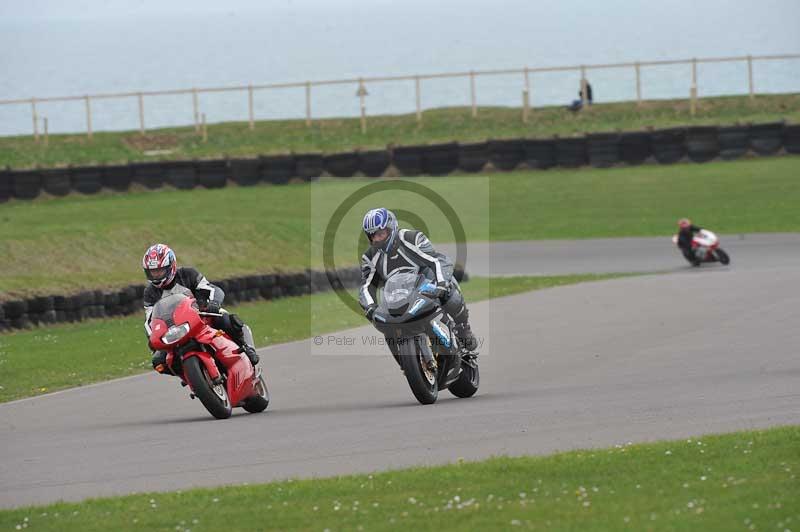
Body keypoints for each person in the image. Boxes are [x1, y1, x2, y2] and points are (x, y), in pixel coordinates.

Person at [358, 208, 478, 353]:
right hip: (396, 296)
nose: (376, 239)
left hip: (427, 285)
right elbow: (366, 286)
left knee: (449, 290)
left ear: (391, 228)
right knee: (385, 323)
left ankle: (463, 328)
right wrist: (370, 307)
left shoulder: (412, 238)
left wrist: (442, 284)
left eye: (380, 234)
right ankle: (404, 363)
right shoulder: (370, 257)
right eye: (372, 236)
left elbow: (438, 260)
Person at [141, 243, 259, 375]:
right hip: (175, 329)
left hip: (202, 314)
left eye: (159, 271)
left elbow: (212, 289)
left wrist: (214, 303)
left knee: (228, 320)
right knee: (159, 361)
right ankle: (190, 377)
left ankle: (247, 347)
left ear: (171, 266)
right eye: (152, 272)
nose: (156, 276)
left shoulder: (187, 274)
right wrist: (152, 338)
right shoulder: (150, 292)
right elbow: (149, 320)